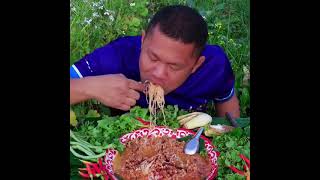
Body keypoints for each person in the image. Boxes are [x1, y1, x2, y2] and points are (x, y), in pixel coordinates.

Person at [70, 5, 240, 118]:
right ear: (143, 41)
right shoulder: (118, 55)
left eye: (174, 66)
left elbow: (226, 101)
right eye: (153, 57)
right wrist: (90, 87)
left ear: (196, 65)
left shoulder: (214, 66)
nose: (158, 73)